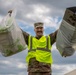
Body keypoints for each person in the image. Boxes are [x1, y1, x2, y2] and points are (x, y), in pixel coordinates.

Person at [8, 10, 58, 75]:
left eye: (41, 28)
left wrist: (70, 21)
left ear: (43, 29)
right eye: (37, 28)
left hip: (46, 71)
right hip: (32, 71)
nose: (39, 30)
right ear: (34, 29)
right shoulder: (29, 39)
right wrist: (11, 18)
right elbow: (19, 31)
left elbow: (59, 32)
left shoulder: (49, 39)